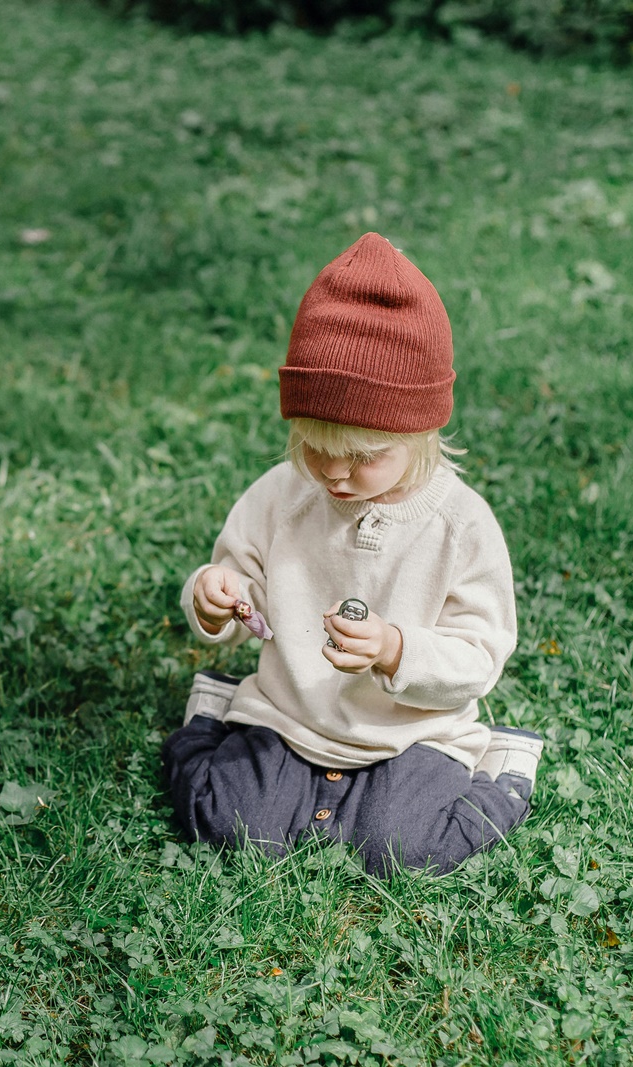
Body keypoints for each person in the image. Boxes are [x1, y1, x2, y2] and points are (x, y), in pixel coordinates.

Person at [161, 233, 542, 877]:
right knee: (226, 824)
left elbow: (478, 655)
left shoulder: (460, 525)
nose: (334, 474)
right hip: (288, 715)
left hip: (409, 733)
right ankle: (218, 713)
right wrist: (215, 593)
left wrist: (399, 649)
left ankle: (500, 767)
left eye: (364, 458)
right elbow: (238, 578)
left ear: (420, 432)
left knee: (403, 848)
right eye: (314, 446)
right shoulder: (284, 495)